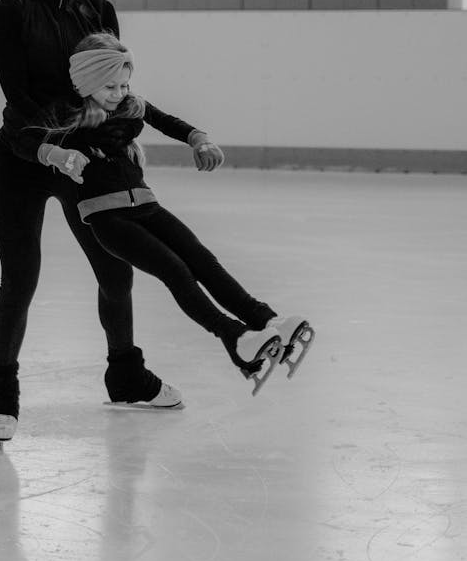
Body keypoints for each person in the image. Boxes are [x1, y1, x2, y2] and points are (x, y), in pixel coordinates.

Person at [0, 0, 224, 446]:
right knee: (19, 279)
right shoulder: (10, 13)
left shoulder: (99, 9)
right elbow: (19, 99)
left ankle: (127, 377)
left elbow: (113, 87)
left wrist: (126, 141)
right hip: (28, 154)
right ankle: (1, 390)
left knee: (116, 272)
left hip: (87, 156)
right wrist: (52, 150)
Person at [21, 31, 315, 397]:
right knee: (175, 271)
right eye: (109, 86)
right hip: (108, 220)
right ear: (86, 84)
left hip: (147, 205)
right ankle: (234, 338)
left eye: (125, 84)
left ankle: (267, 321)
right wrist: (56, 155)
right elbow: (25, 138)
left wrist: (199, 139)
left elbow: (170, 121)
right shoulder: (69, 114)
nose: (119, 93)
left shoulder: (129, 107)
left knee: (203, 260)